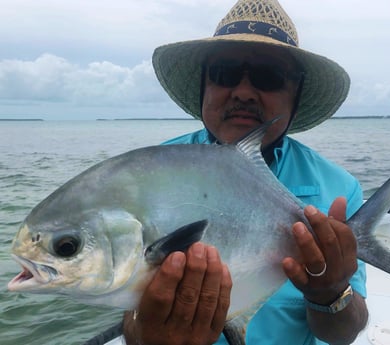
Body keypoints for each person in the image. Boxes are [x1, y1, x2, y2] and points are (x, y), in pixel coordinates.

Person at [122, 0, 369, 344]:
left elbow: (344, 334)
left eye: (268, 77)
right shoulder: (154, 173)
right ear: (203, 86)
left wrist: (330, 292)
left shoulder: (338, 189)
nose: (243, 92)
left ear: (294, 96)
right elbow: (131, 319)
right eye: (224, 73)